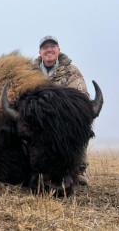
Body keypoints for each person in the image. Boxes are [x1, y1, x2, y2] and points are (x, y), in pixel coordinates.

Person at [33, 35, 89, 186]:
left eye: (52, 47)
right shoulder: (29, 71)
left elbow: (83, 99)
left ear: (59, 50)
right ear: (40, 52)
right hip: (39, 120)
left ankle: (79, 170)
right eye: (45, 47)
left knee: (76, 128)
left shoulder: (71, 71)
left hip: (63, 121)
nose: (49, 50)